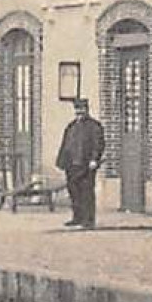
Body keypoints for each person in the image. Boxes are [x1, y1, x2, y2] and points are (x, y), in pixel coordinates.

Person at [56, 98, 105, 228]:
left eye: (82, 109)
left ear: (86, 110)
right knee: (74, 192)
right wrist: (62, 161)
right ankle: (77, 217)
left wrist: (94, 159)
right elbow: (65, 144)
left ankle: (88, 220)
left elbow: (98, 144)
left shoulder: (94, 126)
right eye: (77, 110)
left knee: (86, 192)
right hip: (72, 164)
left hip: (86, 165)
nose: (79, 112)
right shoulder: (71, 126)